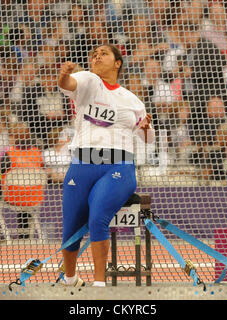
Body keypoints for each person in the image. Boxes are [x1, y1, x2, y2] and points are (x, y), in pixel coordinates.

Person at [57, 44, 155, 288]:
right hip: (82, 164)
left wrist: (146, 129)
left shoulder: (133, 100)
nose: (97, 56)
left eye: (104, 53)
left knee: (98, 217)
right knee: (70, 227)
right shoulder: (89, 81)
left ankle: (99, 287)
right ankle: (70, 280)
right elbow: (67, 85)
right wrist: (64, 74)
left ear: (117, 63)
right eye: (94, 54)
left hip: (118, 166)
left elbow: (148, 139)